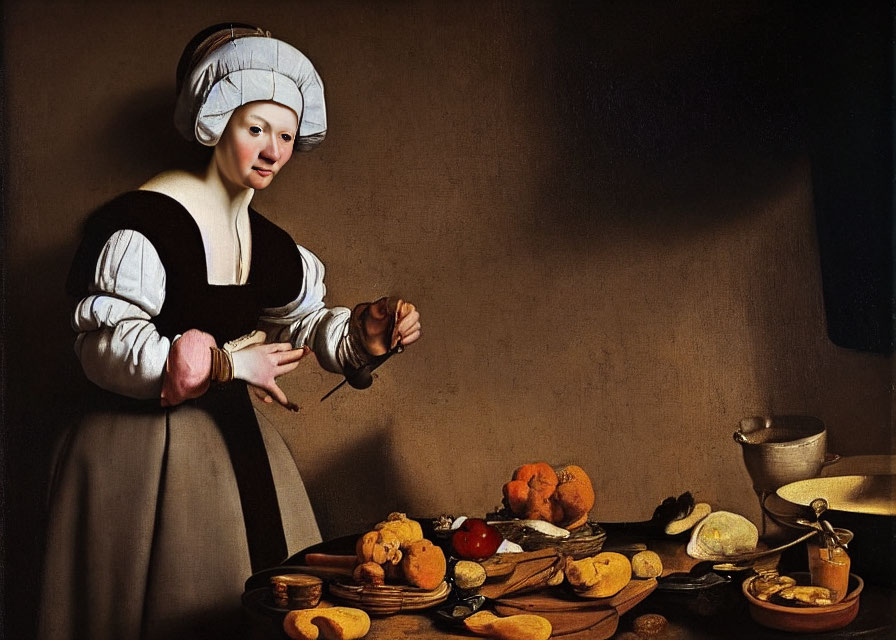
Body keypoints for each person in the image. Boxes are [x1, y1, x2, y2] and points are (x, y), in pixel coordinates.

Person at [38, 23, 421, 640]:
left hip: (232, 451)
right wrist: (224, 366)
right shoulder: (145, 222)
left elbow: (300, 321)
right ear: (217, 122)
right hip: (137, 459)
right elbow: (105, 347)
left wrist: (362, 335)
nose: (272, 151)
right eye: (256, 130)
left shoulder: (266, 243)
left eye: (287, 135)